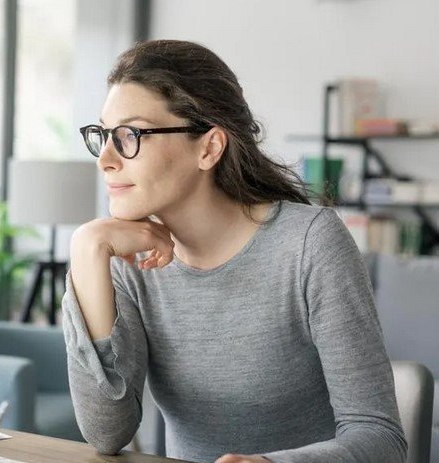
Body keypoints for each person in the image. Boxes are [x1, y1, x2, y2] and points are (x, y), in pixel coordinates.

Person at [61, 40, 406, 463]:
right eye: (104, 135)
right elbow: (106, 433)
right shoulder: (127, 260)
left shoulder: (310, 244)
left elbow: (380, 437)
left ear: (209, 147)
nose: (106, 160)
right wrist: (86, 251)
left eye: (130, 134)